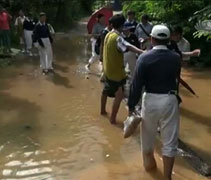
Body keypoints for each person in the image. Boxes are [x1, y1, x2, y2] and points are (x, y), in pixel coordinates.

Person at [128, 25, 181, 180]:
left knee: (148, 140)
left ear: (151, 39)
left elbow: (136, 85)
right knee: (170, 143)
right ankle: (167, 177)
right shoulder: (175, 58)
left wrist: (131, 106)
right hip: (170, 100)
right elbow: (175, 80)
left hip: (150, 100)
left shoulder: (144, 58)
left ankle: (150, 171)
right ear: (168, 39)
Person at [101, 14, 143, 124]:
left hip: (107, 70)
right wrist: (142, 52)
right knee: (119, 96)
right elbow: (127, 46)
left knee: (105, 91)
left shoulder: (108, 35)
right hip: (116, 73)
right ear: (121, 25)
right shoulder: (118, 38)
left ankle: (102, 112)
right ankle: (112, 119)